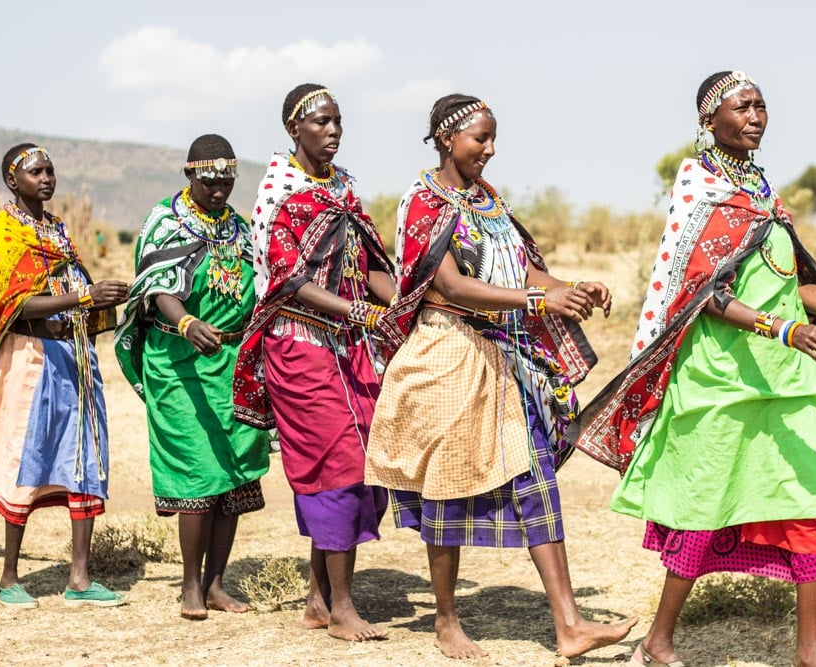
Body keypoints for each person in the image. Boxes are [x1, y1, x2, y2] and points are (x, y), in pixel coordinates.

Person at [571, 71, 816, 667]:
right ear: (709, 121)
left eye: (761, 105)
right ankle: (659, 639)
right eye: (741, 106)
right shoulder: (701, 191)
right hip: (721, 382)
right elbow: (706, 296)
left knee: (808, 505)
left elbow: (792, 286)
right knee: (706, 509)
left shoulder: (763, 195)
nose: (755, 115)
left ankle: (809, 654)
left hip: (789, 384)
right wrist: (785, 331)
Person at [365, 94, 638, 660]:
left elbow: (526, 268)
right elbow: (451, 287)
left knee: (537, 477)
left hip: (502, 361)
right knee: (445, 487)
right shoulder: (423, 202)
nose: (489, 150)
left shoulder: (487, 201)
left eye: (493, 140)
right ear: (446, 139)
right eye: (478, 140)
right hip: (446, 353)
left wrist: (570, 285)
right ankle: (445, 619)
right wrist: (542, 298)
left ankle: (569, 624)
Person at [233, 84, 395, 641]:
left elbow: (366, 260)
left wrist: (398, 300)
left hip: (350, 345)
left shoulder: (344, 186)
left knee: (362, 460)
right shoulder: (279, 192)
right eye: (322, 122)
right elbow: (287, 279)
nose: (333, 131)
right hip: (298, 343)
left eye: (338, 121)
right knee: (339, 465)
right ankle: (344, 609)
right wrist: (357, 310)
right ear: (294, 130)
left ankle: (318, 600)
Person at [0, 144, 129, 608]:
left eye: (51, 170)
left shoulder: (57, 230)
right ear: (13, 181)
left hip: (74, 358)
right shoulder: (7, 233)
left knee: (85, 461)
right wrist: (85, 298)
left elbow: (69, 286)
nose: (47, 178)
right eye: (36, 172)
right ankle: (10, 576)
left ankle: (79, 577)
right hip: (30, 361)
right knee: (24, 459)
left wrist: (96, 297)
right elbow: (14, 306)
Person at [115, 134, 269, 620]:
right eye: (210, 181)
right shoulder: (166, 220)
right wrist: (186, 322)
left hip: (231, 363)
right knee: (197, 471)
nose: (220, 190)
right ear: (189, 174)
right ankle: (189, 587)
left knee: (233, 473)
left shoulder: (240, 229)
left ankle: (217, 583)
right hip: (179, 361)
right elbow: (158, 288)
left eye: (227, 181)